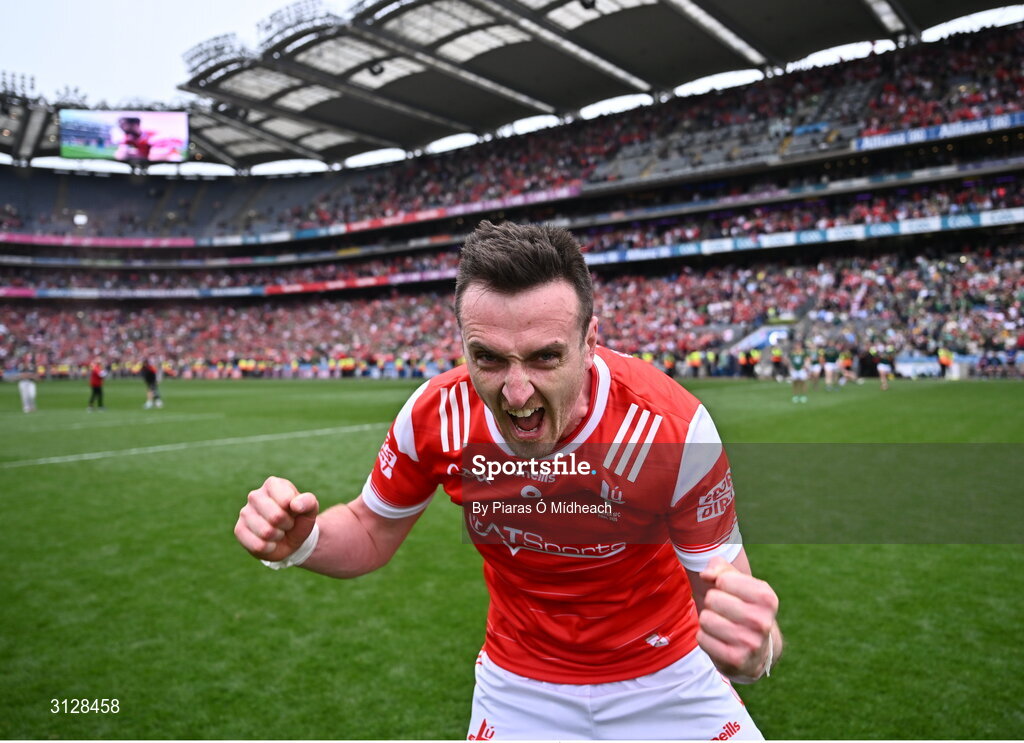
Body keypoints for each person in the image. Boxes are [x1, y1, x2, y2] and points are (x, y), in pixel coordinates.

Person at [235, 221, 782, 740]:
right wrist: (301, 542)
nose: (516, 393)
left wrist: (756, 650)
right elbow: (369, 528)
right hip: (520, 685)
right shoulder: (436, 417)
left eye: (546, 357)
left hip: (668, 674)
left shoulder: (673, 429)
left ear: (591, 340)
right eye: (489, 359)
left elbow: (727, 591)